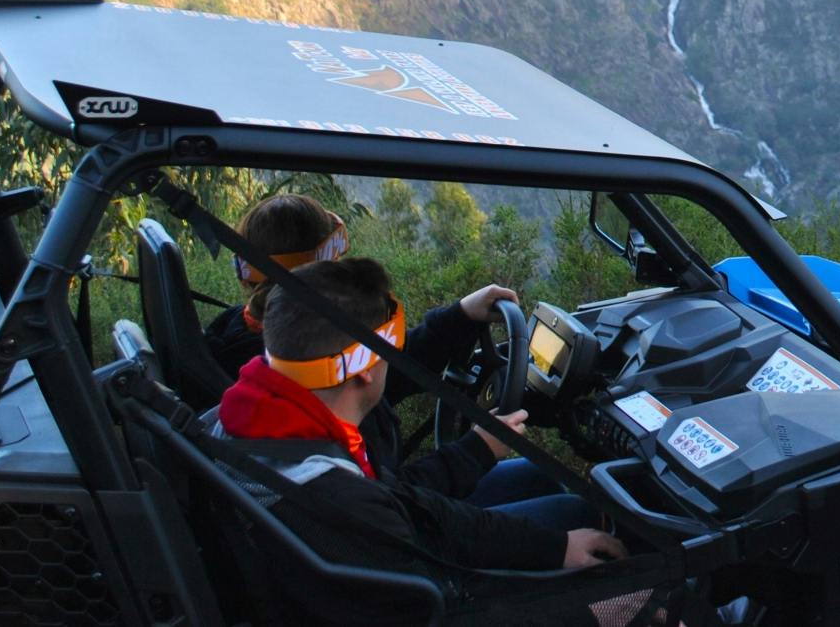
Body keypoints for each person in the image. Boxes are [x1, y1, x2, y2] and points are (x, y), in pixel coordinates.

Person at [213, 257, 680, 626]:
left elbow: (404, 504)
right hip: (425, 602)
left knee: (546, 495)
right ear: (367, 368)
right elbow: (454, 606)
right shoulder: (331, 497)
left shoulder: (251, 413)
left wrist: (457, 321)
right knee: (640, 592)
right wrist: (613, 607)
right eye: (390, 349)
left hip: (355, 578)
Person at [203, 193, 579, 528]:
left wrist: (458, 318)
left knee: (538, 478)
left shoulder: (258, 343)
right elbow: (382, 500)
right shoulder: (301, 372)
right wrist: (474, 452)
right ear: (321, 268)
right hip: (391, 526)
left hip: (381, 508)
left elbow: (386, 374)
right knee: (574, 514)